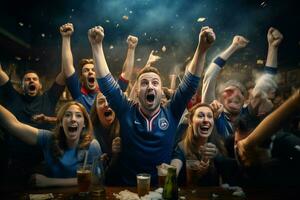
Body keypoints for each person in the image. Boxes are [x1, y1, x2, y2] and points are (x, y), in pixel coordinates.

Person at [89, 25, 215, 185]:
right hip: (129, 192)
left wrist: (202, 49)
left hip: (162, 192)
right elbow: (107, 85)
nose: (150, 86)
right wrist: (97, 46)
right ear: (137, 91)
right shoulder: (126, 110)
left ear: (161, 92)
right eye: (144, 83)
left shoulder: (172, 111)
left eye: (155, 83)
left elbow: (189, 85)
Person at [0, 101, 102, 187]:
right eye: (67, 115)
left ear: (84, 123)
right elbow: (14, 125)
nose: (73, 119)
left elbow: (96, 179)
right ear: (61, 122)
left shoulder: (92, 145)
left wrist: (48, 182)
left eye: (78, 115)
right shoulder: (48, 139)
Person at [0, 63, 65, 185]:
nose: (31, 81)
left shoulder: (49, 98)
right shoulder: (13, 97)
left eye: (34, 79)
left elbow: (65, 72)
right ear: (22, 85)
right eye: (27, 79)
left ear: (40, 85)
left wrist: (66, 42)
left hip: (44, 164)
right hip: (16, 165)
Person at [60, 23, 138, 112]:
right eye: (86, 70)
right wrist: (66, 38)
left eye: (93, 70)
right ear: (81, 77)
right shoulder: (78, 93)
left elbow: (126, 74)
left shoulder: (109, 93)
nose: (90, 72)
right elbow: (68, 68)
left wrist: (131, 49)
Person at [171, 103, 226, 186]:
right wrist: (170, 173)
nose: (206, 120)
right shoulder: (182, 147)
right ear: (190, 122)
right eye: (200, 116)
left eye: (210, 116)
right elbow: (174, 168)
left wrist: (217, 156)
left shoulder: (219, 145)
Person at [90, 92, 122, 185]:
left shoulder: (124, 127)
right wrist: (98, 163)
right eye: (101, 101)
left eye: (109, 100)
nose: (106, 104)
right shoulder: (91, 132)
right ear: (95, 109)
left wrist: (117, 155)